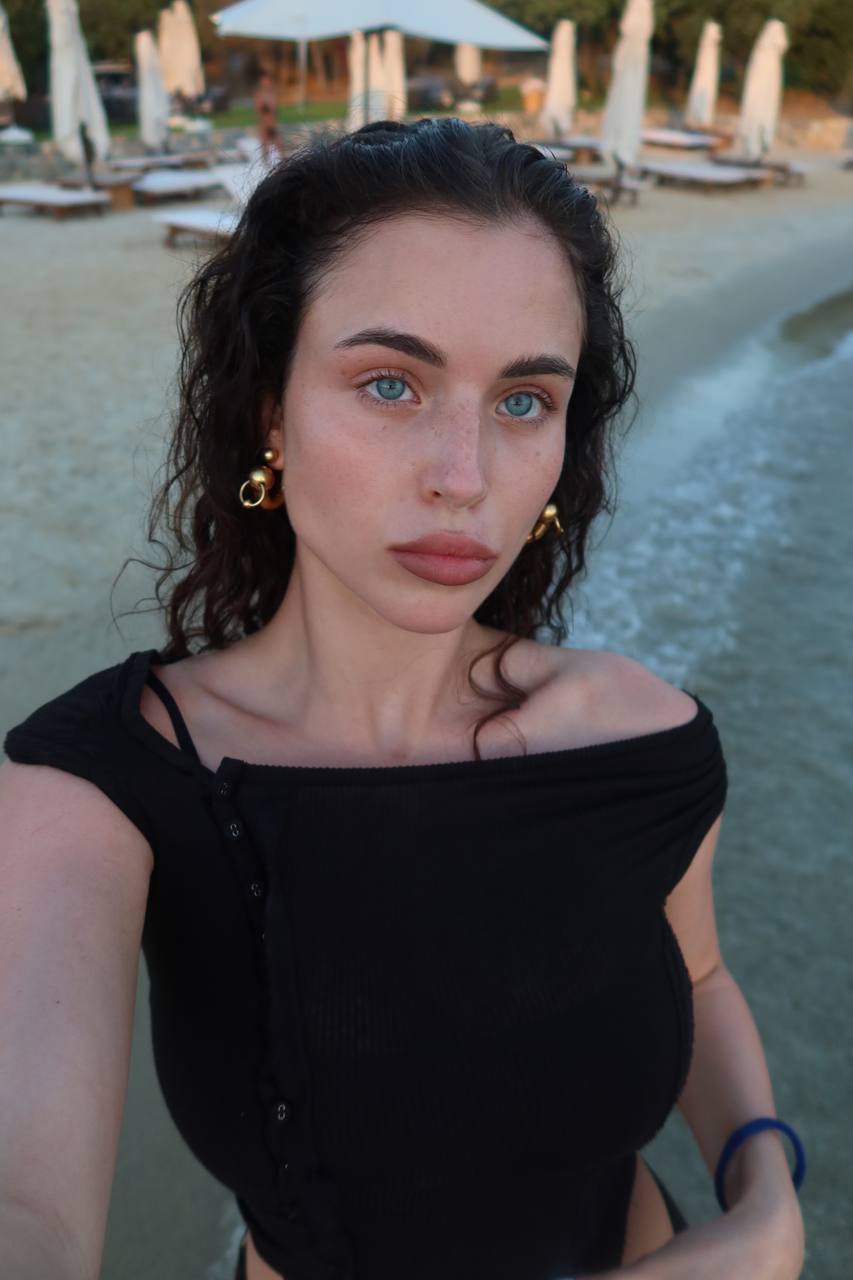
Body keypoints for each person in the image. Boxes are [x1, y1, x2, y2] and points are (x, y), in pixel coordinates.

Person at [0, 119, 805, 1280]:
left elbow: (698, 976)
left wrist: (763, 1193)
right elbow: (26, 1205)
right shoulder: (107, 784)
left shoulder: (641, 733)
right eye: (390, 383)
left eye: (523, 400)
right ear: (269, 408)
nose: (464, 477)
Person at [253, 69, 285, 163]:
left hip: (272, 123)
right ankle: (265, 164)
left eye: (267, 80)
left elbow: (275, 110)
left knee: (279, 144)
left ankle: (283, 162)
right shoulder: (259, 95)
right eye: (264, 81)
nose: (266, 83)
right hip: (264, 124)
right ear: (261, 82)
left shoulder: (272, 95)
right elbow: (259, 111)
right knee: (265, 146)